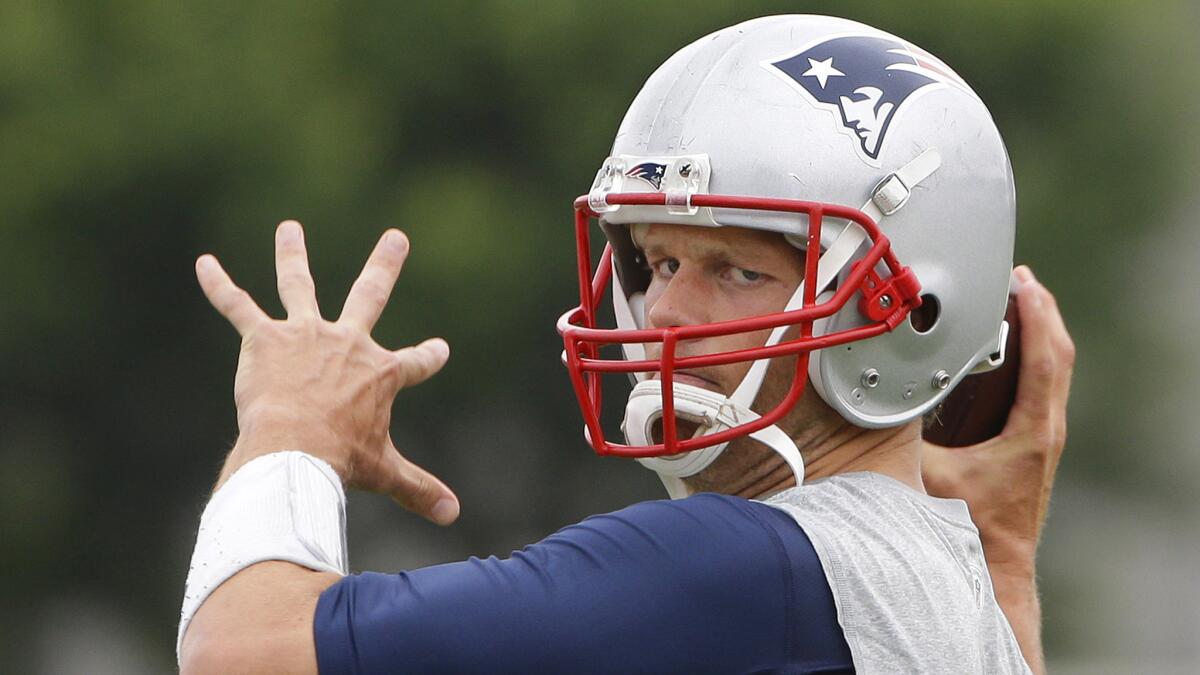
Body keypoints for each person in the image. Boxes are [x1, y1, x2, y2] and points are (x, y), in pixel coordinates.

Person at [178, 15, 1073, 675]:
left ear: (913, 310)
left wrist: (289, 424)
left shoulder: (739, 562)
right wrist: (1002, 556)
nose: (667, 311)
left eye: (736, 269)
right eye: (658, 258)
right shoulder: (952, 590)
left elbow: (243, 652)